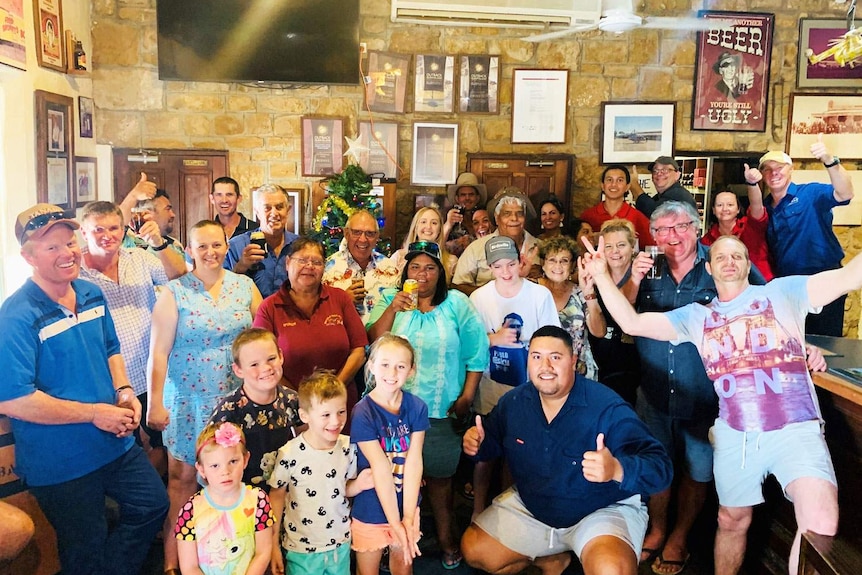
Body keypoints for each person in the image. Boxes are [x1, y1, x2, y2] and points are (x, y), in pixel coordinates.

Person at [583, 234, 852, 575]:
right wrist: (602, 275)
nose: (729, 261)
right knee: (731, 518)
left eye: (737, 255)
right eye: (721, 256)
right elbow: (632, 323)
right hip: (735, 433)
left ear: (748, 264)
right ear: (709, 268)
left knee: (820, 525)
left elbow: (848, 277)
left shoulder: (783, 292)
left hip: (795, 429)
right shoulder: (696, 316)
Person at [0, 204, 168, 575]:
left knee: (153, 505)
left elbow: (111, 348)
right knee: (84, 547)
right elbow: (14, 399)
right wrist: (95, 413)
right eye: (52, 248)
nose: (67, 253)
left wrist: (124, 389)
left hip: (113, 444)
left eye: (70, 242)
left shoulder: (91, 293)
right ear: (28, 257)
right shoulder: (16, 315)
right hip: (61, 462)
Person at [618, 201, 765, 575]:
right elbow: (621, 320)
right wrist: (632, 279)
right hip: (653, 392)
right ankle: (658, 529)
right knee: (658, 466)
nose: (672, 237)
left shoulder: (720, 260)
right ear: (653, 236)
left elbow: (764, 303)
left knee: (698, 472)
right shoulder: (646, 267)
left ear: (696, 228)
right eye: (663, 231)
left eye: (680, 227)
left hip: (708, 397)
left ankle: (680, 535)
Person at [460, 325, 673, 575]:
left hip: (600, 511)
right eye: (537, 357)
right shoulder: (514, 402)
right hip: (535, 508)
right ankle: (552, 559)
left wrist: (617, 468)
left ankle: (578, 550)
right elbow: (489, 446)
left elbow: (660, 467)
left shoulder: (607, 406)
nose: (545, 366)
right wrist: (476, 443)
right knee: (474, 550)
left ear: (573, 361)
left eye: (556, 357)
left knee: (612, 570)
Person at [148, 219, 263, 573]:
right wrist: (154, 401)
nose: (210, 253)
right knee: (181, 481)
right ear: (189, 250)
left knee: (233, 477)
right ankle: (172, 562)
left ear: (227, 246)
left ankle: (232, 556)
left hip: (234, 400)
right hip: (188, 401)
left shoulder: (244, 287)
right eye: (202, 246)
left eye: (216, 245)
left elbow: (260, 337)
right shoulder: (174, 292)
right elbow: (159, 352)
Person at [367, 241, 489, 569]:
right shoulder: (389, 300)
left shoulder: (457, 304)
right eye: (415, 267)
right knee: (390, 482)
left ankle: (447, 539)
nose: (422, 275)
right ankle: (388, 546)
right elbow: (373, 341)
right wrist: (394, 308)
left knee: (439, 483)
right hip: (391, 414)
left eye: (430, 268)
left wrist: (466, 397)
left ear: (441, 273)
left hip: (439, 413)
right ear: (405, 271)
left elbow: (476, 352)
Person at [79, 201, 184, 477]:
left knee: (165, 446)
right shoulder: (73, 271)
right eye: (98, 229)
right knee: (126, 455)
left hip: (153, 374)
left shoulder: (137, 257)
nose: (107, 235)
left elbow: (181, 276)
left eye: (114, 228)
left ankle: (157, 508)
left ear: (124, 229)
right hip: (111, 382)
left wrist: (158, 243)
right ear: (83, 231)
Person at [468, 236, 560, 519]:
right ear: (489, 267)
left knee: (517, 452)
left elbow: (553, 339)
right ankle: (478, 512)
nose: (506, 272)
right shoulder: (479, 298)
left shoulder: (538, 295)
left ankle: (510, 514)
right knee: (485, 451)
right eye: (498, 267)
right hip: (490, 387)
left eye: (511, 264)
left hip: (528, 389)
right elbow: (468, 344)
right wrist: (494, 338)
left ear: (520, 261)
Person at [268, 371, 373, 575]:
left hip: (339, 543)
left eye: (341, 412)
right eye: (326, 415)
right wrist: (272, 544)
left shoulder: (347, 447)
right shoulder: (290, 453)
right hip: (300, 549)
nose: (335, 421)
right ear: (304, 416)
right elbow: (277, 496)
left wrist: (359, 484)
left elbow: (343, 488)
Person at [255, 237, 368, 426]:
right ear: (288, 263)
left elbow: (359, 350)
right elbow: (261, 360)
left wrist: (334, 388)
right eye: (302, 260)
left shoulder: (340, 299)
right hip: (291, 410)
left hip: (340, 407)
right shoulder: (270, 308)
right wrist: (301, 400)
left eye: (316, 262)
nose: (309, 266)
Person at [746, 143, 854, 336]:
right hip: (789, 286)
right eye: (768, 169)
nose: (774, 173)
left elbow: (845, 193)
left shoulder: (810, 193)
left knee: (824, 343)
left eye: (779, 167)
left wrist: (831, 162)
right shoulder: (765, 207)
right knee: (795, 342)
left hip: (824, 279)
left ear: (791, 169)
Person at [350, 334, 429, 575]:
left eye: (401, 366)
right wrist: (395, 523)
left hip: (406, 503)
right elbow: (380, 467)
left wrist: (406, 519)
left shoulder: (417, 407)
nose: (392, 373)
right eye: (385, 364)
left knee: (403, 568)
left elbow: (414, 462)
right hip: (371, 508)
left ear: (411, 371)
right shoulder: (362, 412)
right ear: (371, 366)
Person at [209, 328, 304, 489]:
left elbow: (307, 440)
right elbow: (212, 460)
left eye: (271, 358)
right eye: (254, 364)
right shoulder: (228, 411)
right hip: (243, 495)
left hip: (285, 490)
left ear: (281, 356)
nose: (266, 368)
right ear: (238, 370)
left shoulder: (292, 399)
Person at [175, 422, 274, 575]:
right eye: (215, 466)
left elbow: (263, 552)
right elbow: (189, 567)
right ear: (201, 469)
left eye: (233, 462)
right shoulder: (190, 511)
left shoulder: (258, 500)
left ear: (245, 459)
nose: (225, 472)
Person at [587, 219, 641, 405]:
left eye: (621, 245)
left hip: (639, 371)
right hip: (604, 368)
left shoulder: (645, 276)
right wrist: (589, 295)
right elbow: (597, 332)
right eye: (608, 246)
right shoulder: (593, 277)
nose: (614, 251)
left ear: (632, 247)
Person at [537, 235, 604, 380]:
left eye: (564, 261)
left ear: (573, 265)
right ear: (543, 263)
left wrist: (589, 294)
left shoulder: (581, 291)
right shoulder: (532, 290)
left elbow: (599, 332)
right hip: (541, 369)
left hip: (578, 370)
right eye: (552, 260)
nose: (558, 266)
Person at [453, 187, 541, 294]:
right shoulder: (476, 248)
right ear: (496, 217)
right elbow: (457, 287)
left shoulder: (541, 247)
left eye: (519, 213)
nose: (514, 218)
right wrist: (494, 293)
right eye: (507, 213)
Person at [322, 210, 400, 323]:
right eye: (356, 232)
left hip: (382, 338)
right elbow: (316, 313)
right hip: (342, 338)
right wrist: (343, 301)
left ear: (377, 237)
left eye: (370, 233)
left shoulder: (391, 269)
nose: (363, 239)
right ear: (346, 234)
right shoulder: (326, 270)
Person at [225, 183, 300, 298]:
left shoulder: (300, 246)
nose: (274, 213)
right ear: (257, 212)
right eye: (267, 208)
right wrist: (241, 266)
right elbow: (222, 291)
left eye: (279, 207)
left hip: (291, 314)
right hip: (252, 314)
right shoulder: (236, 246)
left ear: (288, 210)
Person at [700, 189, 773, 280]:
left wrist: (752, 184)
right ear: (714, 210)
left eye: (730, 205)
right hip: (728, 287)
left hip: (761, 284)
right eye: (719, 205)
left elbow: (757, 206)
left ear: (738, 209)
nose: (725, 209)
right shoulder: (707, 239)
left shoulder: (750, 226)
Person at [580, 165, 654, 248]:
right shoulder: (588, 215)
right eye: (609, 180)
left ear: (627, 187)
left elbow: (650, 248)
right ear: (602, 186)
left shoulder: (638, 217)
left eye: (620, 180)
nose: (614, 184)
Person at [390, 207, 458, 281]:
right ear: (416, 227)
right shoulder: (398, 257)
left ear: (440, 230)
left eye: (434, 223)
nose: (428, 227)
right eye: (423, 222)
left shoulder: (451, 262)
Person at [630, 157, 698, 218]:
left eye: (665, 170)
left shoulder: (678, 194)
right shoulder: (659, 197)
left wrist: (635, 185)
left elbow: (654, 214)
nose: (659, 174)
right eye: (655, 170)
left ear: (677, 175)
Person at [443, 172, 488, 256]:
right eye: (463, 195)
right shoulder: (447, 216)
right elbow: (437, 244)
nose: (467, 198)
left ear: (477, 198)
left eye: (471, 194)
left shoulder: (485, 216)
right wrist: (448, 224)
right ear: (457, 198)